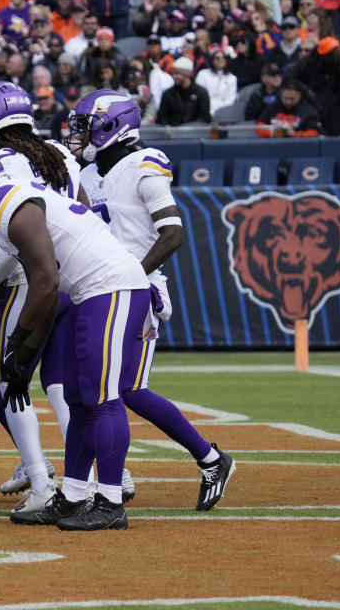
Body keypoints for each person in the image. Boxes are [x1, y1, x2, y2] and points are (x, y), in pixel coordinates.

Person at [0, 143, 149, 531]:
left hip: (113, 286)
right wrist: (23, 354)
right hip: (89, 290)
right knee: (80, 399)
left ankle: (112, 500)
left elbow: (47, 283)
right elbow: (44, 286)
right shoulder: (5, 204)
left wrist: (18, 344)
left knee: (102, 398)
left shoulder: (7, 203)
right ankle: (72, 496)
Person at [72, 89, 237, 511]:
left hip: (136, 290)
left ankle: (207, 460)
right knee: (107, 390)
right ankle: (98, 480)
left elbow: (173, 233)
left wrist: (132, 276)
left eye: (87, 125)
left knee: (125, 390)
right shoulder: (88, 176)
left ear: (114, 126)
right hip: (99, 291)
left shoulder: (144, 164)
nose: (79, 133)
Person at [0, 81, 84, 512]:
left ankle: (38, 477)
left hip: (30, 280)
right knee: (60, 383)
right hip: (77, 277)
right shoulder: (59, 153)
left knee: (1, 375)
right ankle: (96, 476)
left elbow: (12, 243)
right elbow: (85, 207)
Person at [255, 77, 322, 136]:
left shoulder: (308, 111)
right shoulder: (274, 107)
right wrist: (274, 132)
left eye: (292, 99)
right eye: (285, 98)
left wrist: (295, 134)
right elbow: (259, 125)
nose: (288, 102)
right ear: (281, 94)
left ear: (299, 95)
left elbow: (315, 132)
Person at [156, 56, 211, 125]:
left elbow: (204, 117)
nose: (174, 76)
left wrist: (188, 128)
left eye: (177, 73)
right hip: (173, 133)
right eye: (173, 73)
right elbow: (161, 118)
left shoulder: (201, 93)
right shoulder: (168, 94)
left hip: (195, 133)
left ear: (187, 74)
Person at [195, 49, 237, 115]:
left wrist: (220, 112)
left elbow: (230, 99)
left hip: (223, 113)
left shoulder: (232, 78)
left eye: (224, 57)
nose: (221, 60)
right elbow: (199, 95)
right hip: (204, 111)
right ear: (212, 61)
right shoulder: (203, 74)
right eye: (217, 58)